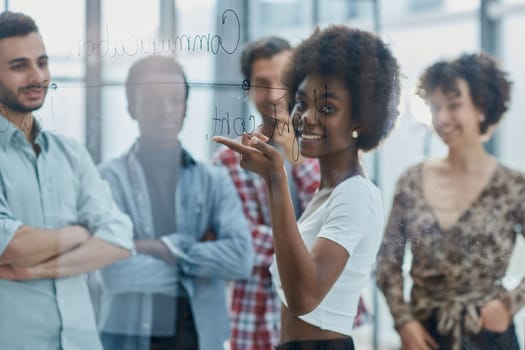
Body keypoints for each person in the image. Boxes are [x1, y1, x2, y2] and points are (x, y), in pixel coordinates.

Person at [214, 25, 400, 349]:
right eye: (301, 103)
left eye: (327, 108)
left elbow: (304, 297)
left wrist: (276, 180)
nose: (306, 117)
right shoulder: (327, 193)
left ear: (360, 119)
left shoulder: (355, 194)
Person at [96, 55, 254, 350]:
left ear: (185, 107)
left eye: (175, 99)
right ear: (132, 106)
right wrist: (203, 268)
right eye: (153, 100)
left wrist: (158, 248)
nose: (166, 111)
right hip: (126, 339)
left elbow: (241, 258)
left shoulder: (214, 180)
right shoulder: (108, 179)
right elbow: (114, 272)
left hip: (198, 339)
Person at [0, 11, 133, 350]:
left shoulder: (71, 153)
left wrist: (34, 270)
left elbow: (119, 238)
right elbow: (12, 245)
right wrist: (78, 233)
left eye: (42, 62)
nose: (37, 76)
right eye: (19, 66)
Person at [376, 53, 523, 350]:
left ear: (482, 107)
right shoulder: (411, 180)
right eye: (435, 108)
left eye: (454, 106)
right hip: (423, 335)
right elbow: (387, 261)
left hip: (488, 333)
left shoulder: (513, 185)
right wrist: (403, 322)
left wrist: (509, 303)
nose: (442, 119)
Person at [212, 36, 321, 350]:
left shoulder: (327, 151)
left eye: (284, 80)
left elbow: (334, 220)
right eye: (262, 83)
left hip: (320, 320)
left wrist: (295, 155)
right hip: (254, 321)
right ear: (248, 89)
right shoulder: (229, 160)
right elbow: (237, 241)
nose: (274, 94)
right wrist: (308, 248)